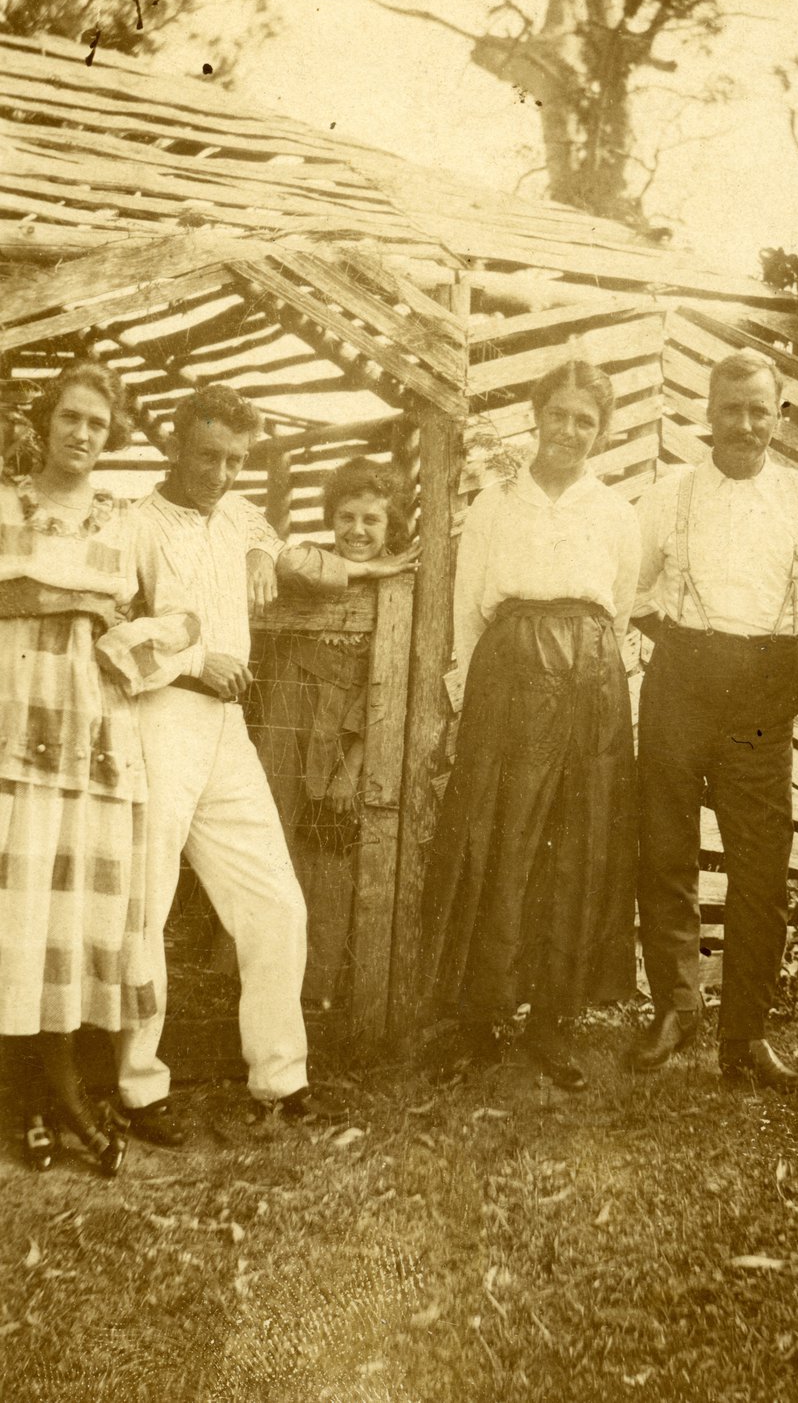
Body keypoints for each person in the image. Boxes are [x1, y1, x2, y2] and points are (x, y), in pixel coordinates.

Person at [102, 385, 341, 1145]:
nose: (221, 472)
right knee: (145, 905)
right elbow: (107, 631)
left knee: (275, 900)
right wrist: (195, 658)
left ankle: (281, 1076)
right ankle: (137, 1087)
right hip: (157, 719)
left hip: (225, 733)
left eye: (236, 459)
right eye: (208, 455)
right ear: (175, 444)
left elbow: (267, 530)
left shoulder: (237, 512)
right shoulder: (132, 525)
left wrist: (264, 552)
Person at [422, 360, 641, 1091]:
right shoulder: (495, 502)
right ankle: (480, 1019)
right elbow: (466, 606)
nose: (570, 431)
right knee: (498, 832)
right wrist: (460, 697)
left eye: (586, 420)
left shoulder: (614, 512)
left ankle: (554, 1021)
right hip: (510, 673)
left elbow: (622, 604)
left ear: (601, 431)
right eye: (560, 414)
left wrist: (596, 671)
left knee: (578, 841)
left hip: (591, 680)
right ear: (536, 416)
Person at [632, 349, 798, 1087]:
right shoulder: (671, 493)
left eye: (759, 409)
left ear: (777, 415)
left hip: (762, 687)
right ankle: (675, 1007)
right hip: (681, 677)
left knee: (759, 862)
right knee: (665, 848)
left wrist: (763, 661)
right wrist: (689, 646)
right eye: (731, 408)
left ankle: (744, 1033)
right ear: (706, 412)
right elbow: (631, 585)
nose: (745, 424)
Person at [0, 362, 156, 1175]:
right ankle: (30, 1094)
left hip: (90, 731)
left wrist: (49, 593)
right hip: (13, 727)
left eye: (98, 422)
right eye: (71, 416)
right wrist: (73, 600)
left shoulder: (122, 521)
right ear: (45, 420)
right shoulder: (4, 501)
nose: (83, 433)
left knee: (61, 919)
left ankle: (53, 1091)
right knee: (12, 914)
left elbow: (130, 613)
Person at [253, 458, 417, 1001]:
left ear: (391, 525)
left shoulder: (403, 587)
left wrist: (354, 765)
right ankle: (260, 975)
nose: (357, 532)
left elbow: (389, 684)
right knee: (273, 838)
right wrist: (365, 571)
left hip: (346, 741)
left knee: (330, 849)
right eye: (346, 517)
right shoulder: (315, 566)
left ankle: (319, 981)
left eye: (372, 520)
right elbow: (287, 561)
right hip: (288, 729)